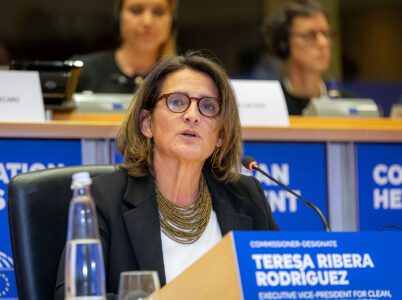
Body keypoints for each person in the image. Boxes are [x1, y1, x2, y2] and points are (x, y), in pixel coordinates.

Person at [54, 52, 278, 298]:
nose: (192, 115)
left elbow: (278, 288)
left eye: (208, 106)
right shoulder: (103, 199)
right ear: (147, 123)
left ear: (220, 135)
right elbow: (76, 294)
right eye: (177, 102)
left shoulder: (247, 197)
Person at [74, 0, 177, 93]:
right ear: (118, 17)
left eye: (158, 12)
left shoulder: (181, 76)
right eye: (136, 10)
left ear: (172, 21)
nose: (147, 22)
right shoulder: (82, 71)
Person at [263, 0, 334, 115]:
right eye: (310, 36)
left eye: (326, 34)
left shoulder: (352, 105)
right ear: (284, 44)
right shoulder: (270, 106)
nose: (323, 43)